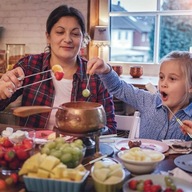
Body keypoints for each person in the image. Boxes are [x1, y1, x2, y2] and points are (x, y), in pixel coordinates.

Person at [0, 5, 116, 134]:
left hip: (78, 151)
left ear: (83, 39)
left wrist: (87, 130)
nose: (67, 39)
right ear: (48, 37)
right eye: (60, 32)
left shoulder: (95, 75)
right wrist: (1, 90)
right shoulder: (29, 66)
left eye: (75, 34)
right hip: (33, 149)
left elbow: (110, 128)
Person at [87, 51, 192, 141]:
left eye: (172, 79)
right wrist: (106, 70)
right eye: (161, 77)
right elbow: (119, 88)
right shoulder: (148, 101)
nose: (163, 83)